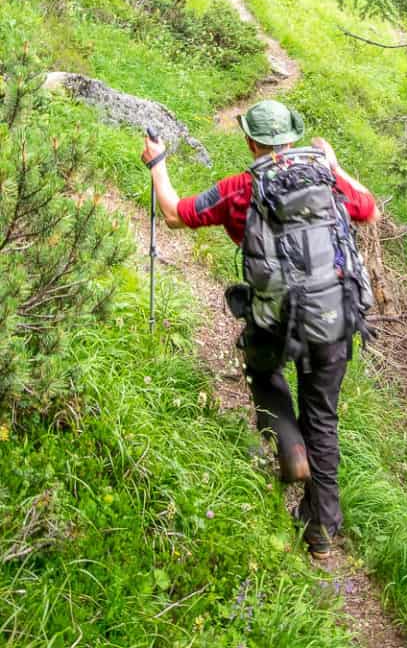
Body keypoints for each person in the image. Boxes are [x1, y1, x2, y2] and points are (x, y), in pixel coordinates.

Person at [141, 99, 378, 558]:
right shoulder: (328, 178)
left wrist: (158, 162)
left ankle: (288, 442)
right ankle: (321, 532)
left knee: (262, 369)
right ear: (291, 136)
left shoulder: (240, 188)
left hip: (277, 316)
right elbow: (367, 209)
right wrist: (336, 164)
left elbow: (174, 213)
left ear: (250, 140)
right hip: (335, 312)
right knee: (323, 417)